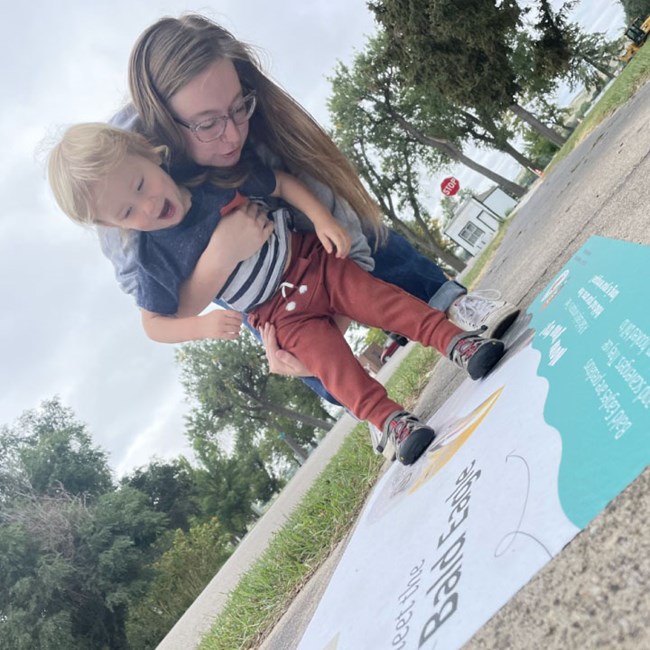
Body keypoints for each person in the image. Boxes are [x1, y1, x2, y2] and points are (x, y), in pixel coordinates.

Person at [96, 14, 519, 408]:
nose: (231, 135)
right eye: (207, 124)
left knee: (364, 238)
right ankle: (372, 413)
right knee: (315, 368)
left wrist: (340, 307)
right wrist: (222, 253)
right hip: (258, 288)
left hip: (301, 230)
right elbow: (165, 313)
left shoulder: (261, 134)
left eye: (238, 108)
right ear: (162, 129)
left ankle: (447, 302)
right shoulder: (129, 191)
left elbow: (333, 212)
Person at [48, 122, 506, 465]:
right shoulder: (152, 258)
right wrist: (201, 326)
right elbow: (153, 324)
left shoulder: (210, 181)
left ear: (152, 154)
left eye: (141, 184)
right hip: (279, 317)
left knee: (383, 302)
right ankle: (389, 421)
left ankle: (458, 342)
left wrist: (324, 221)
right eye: (128, 211)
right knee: (332, 366)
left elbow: (281, 183)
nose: (148, 205)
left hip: (311, 261)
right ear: (113, 227)